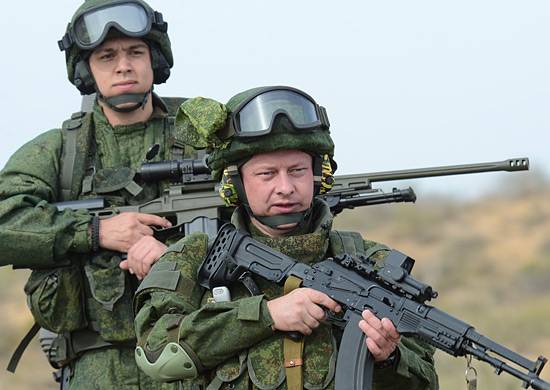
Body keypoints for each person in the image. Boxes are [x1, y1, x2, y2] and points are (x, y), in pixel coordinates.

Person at [133, 86, 439, 389]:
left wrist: (389, 359)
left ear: (319, 174)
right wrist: (265, 315)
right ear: (235, 183)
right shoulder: (195, 255)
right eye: (267, 174)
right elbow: (156, 354)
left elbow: (426, 380)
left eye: (297, 170)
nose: (285, 187)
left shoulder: (373, 264)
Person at [0, 0, 194, 388]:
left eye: (135, 52)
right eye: (106, 56)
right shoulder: (59, 151)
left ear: (154, 58)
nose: (123, 65)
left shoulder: (200, 134)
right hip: (96, 370)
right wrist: (96, 233)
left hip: (195, 359)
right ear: (85, 69)